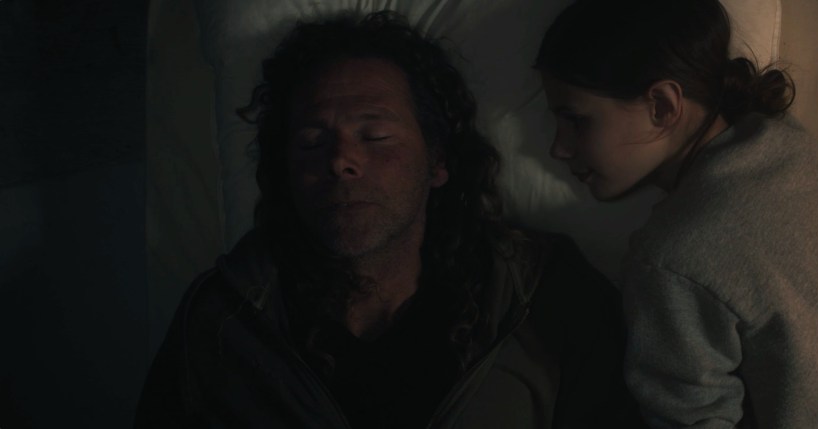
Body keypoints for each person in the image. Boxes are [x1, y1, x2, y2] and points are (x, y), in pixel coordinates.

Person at [135, 11, 643, 428]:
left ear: (437, 161)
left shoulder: (542, 293)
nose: (341, 160)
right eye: (311, 142)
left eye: (375, 136)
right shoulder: (223, 320)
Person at [534, 0, 818, 427]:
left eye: (576, 121)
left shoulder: (670, 258)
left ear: (662, 105)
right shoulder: (791, 149)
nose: (558, 148)